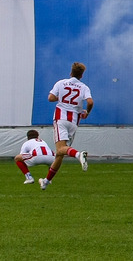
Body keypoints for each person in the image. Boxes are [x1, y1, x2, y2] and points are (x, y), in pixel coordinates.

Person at [40, 62, 92, 190]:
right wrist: (87, 112)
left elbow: (50, 98)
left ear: (71, 72)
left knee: (61, 149)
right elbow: (90, 101)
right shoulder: (84, 87)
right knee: (60, 154)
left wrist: (60, 98)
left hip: (61, 118)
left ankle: (78, 155)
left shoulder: (61, 83)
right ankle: (46, 181)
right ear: (82, 75)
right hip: (74, 121)